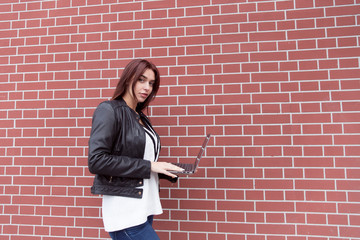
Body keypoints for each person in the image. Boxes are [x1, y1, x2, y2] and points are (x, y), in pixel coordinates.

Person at [87, 59, 184, 240]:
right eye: (141, 79)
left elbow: (140, 159)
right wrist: (150, 166)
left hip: (146, 205)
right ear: (128, 78)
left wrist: (163, 170)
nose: (147, 87)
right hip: (125, 210)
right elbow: (97, 160)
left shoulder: (141, 118)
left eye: (151, 83)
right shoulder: (109, 110)